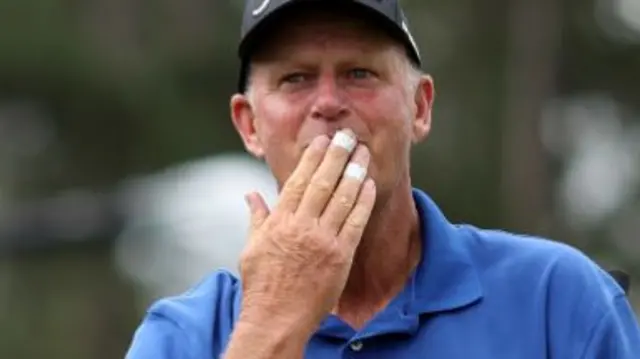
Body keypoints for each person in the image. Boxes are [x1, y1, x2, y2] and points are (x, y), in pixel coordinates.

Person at [124, 0, 640, 358]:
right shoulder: (184, 335)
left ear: (420, 107)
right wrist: (272, 324)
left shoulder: (558, 300)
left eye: (359, 73)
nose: (327, 103)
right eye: (295, 79)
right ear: (250, 125)